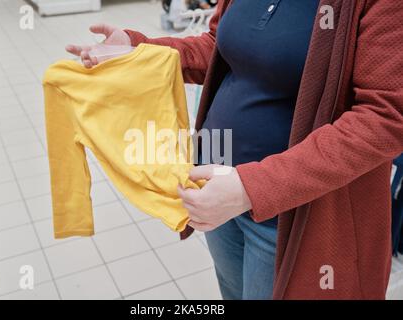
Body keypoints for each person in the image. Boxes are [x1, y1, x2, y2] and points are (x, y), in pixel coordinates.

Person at [65, 0, 403, 299]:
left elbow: (385, 116)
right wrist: (141, 49)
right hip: (217, 194)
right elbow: (219, 48)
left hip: (290, 214)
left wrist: (252, 188)